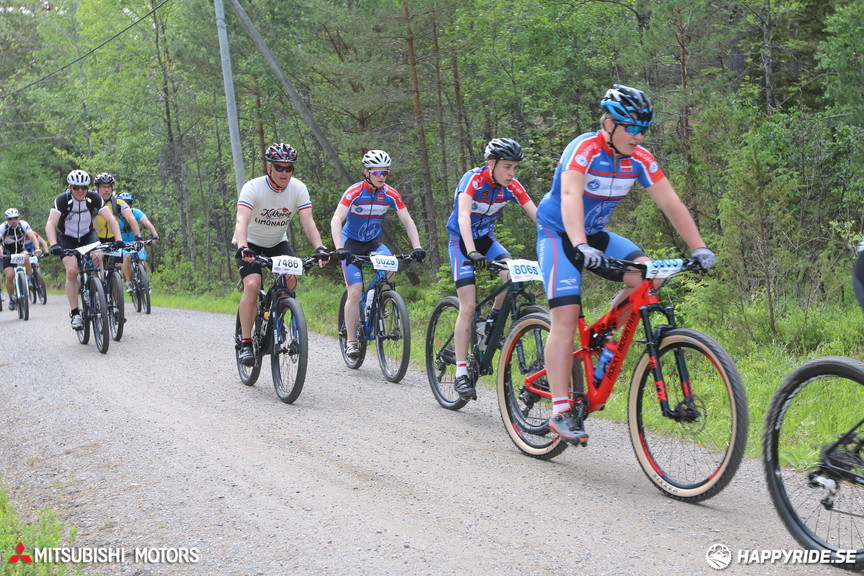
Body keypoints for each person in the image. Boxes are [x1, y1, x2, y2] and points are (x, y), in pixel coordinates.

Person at [536, 84, 716, 444]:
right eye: (632, 128)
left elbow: (671, 204)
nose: (638, 136)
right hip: (559, 233)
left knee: (649, 275)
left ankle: (604, 333)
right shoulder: (583, 149)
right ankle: (559, 409)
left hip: (595, 234)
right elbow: (570, 195)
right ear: (609, 123)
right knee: (566, 318)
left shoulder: (640, 159)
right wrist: (580, 244)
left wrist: (699, 248)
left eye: (643, 129)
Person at [445, 138, 538, 401]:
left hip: (486, 239)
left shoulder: (512, 186)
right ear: (492, 164)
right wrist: (471, 251)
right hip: (461, 241)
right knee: (469, 305)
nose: (512, 173)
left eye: (515, 168)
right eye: (507, 166)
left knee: (511, 273)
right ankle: (461, 372)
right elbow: (463, 215)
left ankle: (492, 322)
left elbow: (538, 217)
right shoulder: (472, 180)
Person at [234, 143, 331, 366]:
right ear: (269, 168)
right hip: (250, 243)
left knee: (290, 281)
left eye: (289, 168)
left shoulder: (298, 188)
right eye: (279, 167)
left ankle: (278, 317)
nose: (284, 173)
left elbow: (308, 221)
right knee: (252, 284)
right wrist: (242, 245)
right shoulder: (253, 187)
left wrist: (320, 248)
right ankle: (247, 341)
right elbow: (242, 220)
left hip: (278, 243)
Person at [330, 150, 425, 360]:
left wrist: (417, 247)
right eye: (377, 172)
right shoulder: (353, 192)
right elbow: (336, 220)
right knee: (354, 291)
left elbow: (408, 221)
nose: (382, 176)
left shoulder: (391, 194)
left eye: (385, 173)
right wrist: (339, 248)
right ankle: (352, 341)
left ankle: (377, 298)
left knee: (391, 266)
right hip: (351, 244)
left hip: (373, 243)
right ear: (367, 172)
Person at [46, 169, 125, 330]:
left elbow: (111, 219)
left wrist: (119, 239)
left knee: (97, 257)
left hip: (88, 235)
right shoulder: (62, 200)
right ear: (70, 187)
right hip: (67, 238)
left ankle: (97, 291)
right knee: (72, 271)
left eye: (83, 187)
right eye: (76, 187)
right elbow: (50, 224)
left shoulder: (93, 198)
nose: (80, 191)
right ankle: (75, 313)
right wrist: (54, 244)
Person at [0, 208, 43, 311]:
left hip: (20, 250)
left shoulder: (23, 225)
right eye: (10, 219)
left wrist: (37, 248)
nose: (13, 221)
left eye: (16, 218)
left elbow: (33, 237)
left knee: (27, 256)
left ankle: (28, 280)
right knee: (10, 276)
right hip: (7, 253)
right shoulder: (3, 227)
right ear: (7, 219)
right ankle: (11, 298)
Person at [116, 192, 159, 293]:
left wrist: (155, 235)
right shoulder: (117, 217)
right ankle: (129, 283)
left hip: (136, 240)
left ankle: (145, 281)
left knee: (141, 258)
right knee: (127, 257)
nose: (127, 205)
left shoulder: (136, 212)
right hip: (123, 242)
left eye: (129, 203)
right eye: (124, 203)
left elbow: (147, 223)